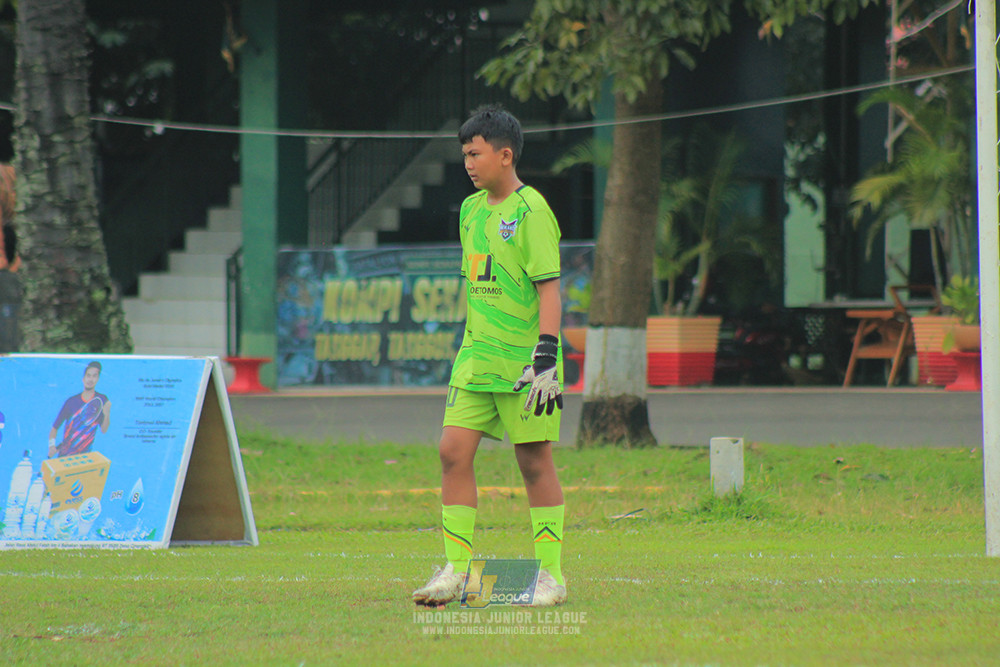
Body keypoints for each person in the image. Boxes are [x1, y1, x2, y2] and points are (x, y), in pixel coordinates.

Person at [412, 105, 567, 608]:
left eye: (475, 154)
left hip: (525, 364)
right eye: (464, 155)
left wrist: (546, 355)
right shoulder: (469, 211)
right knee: (451, 452)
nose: (468, 164)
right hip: (476, 358)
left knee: (533, 462)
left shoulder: (532, 211)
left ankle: (551, 577)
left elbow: (549, 289)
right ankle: (456, 572)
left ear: (505, 155)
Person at [49, 361, 112, 457]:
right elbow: (54, 428)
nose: (90, 379)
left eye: (94, 376)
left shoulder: (102, 400)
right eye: (88, 375)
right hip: (65, 455)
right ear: (83, 378)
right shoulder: (71, 402)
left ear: (98, 379)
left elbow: (104, 430)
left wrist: (107, 413)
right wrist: (51, 446)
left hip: (85, 457)